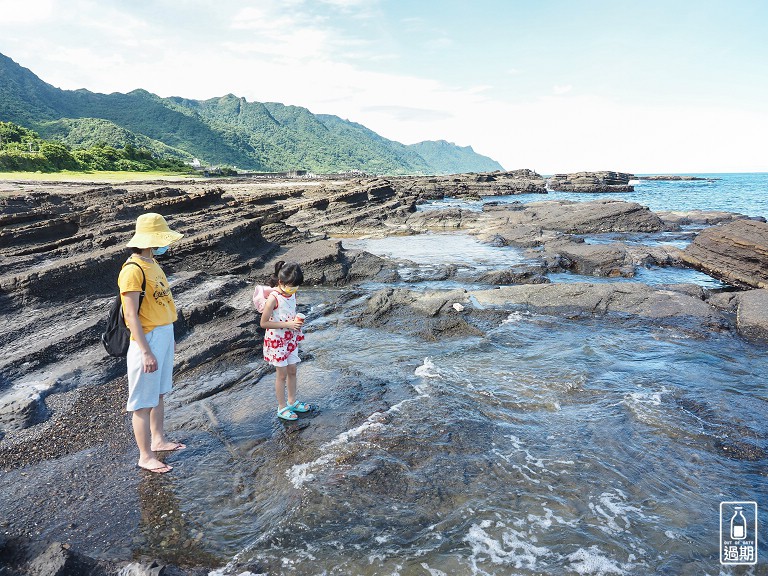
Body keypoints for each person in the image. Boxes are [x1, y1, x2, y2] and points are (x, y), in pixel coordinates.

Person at [119, 213, 185, 474]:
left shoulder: (152, 262)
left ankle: (159, 439)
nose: (165, 243)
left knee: (157, 393)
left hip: (163, 333)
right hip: (147, 339)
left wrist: (168, 338)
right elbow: (130, 315)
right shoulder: (132, 270)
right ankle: (145, 456)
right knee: (142, 402)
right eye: (162, 237)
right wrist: (146, 351)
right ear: (151, 239)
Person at [260, 260, 312, 421]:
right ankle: (282, 407)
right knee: (281, 375)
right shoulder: (273, 298)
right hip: (277, 341)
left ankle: (292, 401)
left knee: (293, 371)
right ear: (281, 282)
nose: (293, 290)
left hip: (290, 339)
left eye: (296, 286)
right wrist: (288, 324)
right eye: (291, 286)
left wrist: (295, 322)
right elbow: (264, 323)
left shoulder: (292, 293)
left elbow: (289, 311)